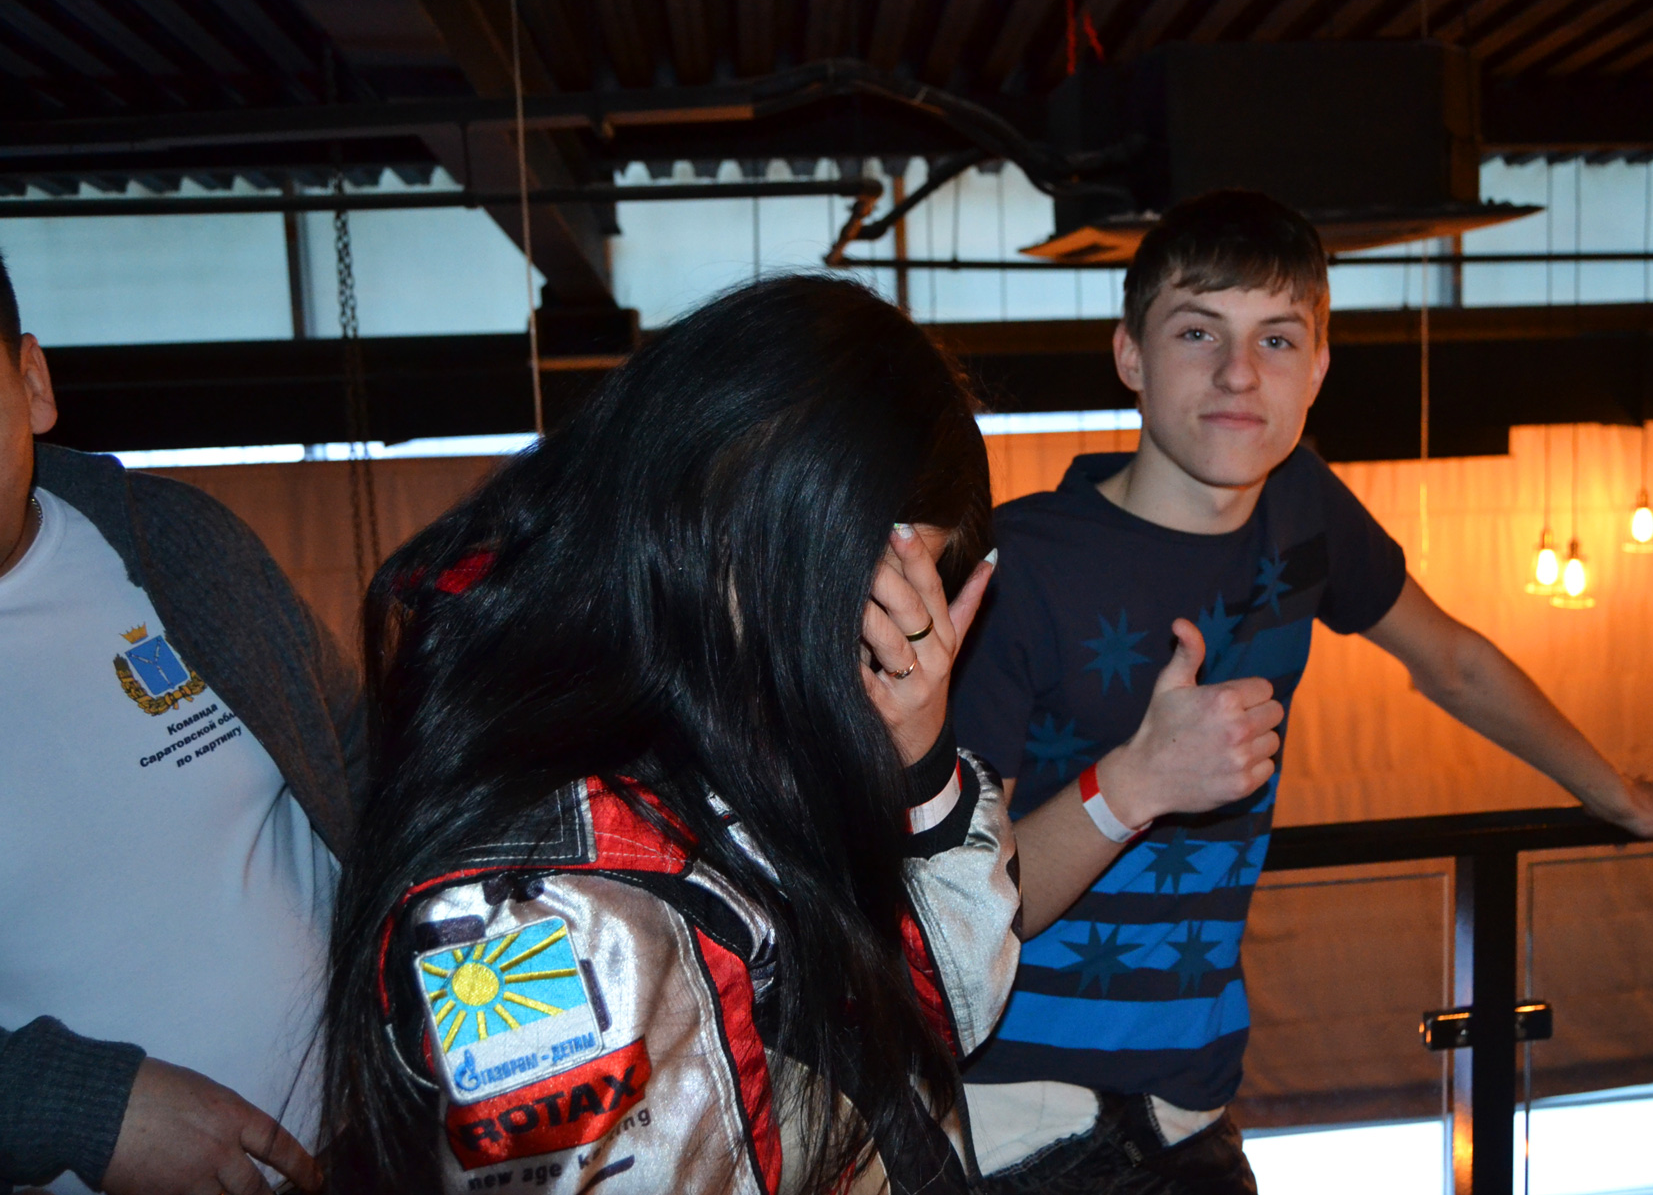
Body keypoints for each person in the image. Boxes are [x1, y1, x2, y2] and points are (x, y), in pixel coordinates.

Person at [950, 191, 1653, 1194]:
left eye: (1277, 339)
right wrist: (1134, 783)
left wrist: (1614, 794)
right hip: (1012, 1118)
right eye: (1198, 332)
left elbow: (1453, 662)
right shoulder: (1021, 568)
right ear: (1129, 355)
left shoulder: (1300, 506)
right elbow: (963, 910)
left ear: (1319, 369)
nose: (1238, 374)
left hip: (1190, 1100)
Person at [322, 276, 1020, 1194]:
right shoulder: (537, 910)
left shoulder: (716, 726)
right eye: (862, 599)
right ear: (737, 512)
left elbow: (936, 1023)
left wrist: (919, 769)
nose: (869, 650)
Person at [0, 258, 358, 1194]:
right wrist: (82, 1109)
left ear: (32, 384)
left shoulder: (175, 540)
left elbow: (351, 750)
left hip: (367, 1147)